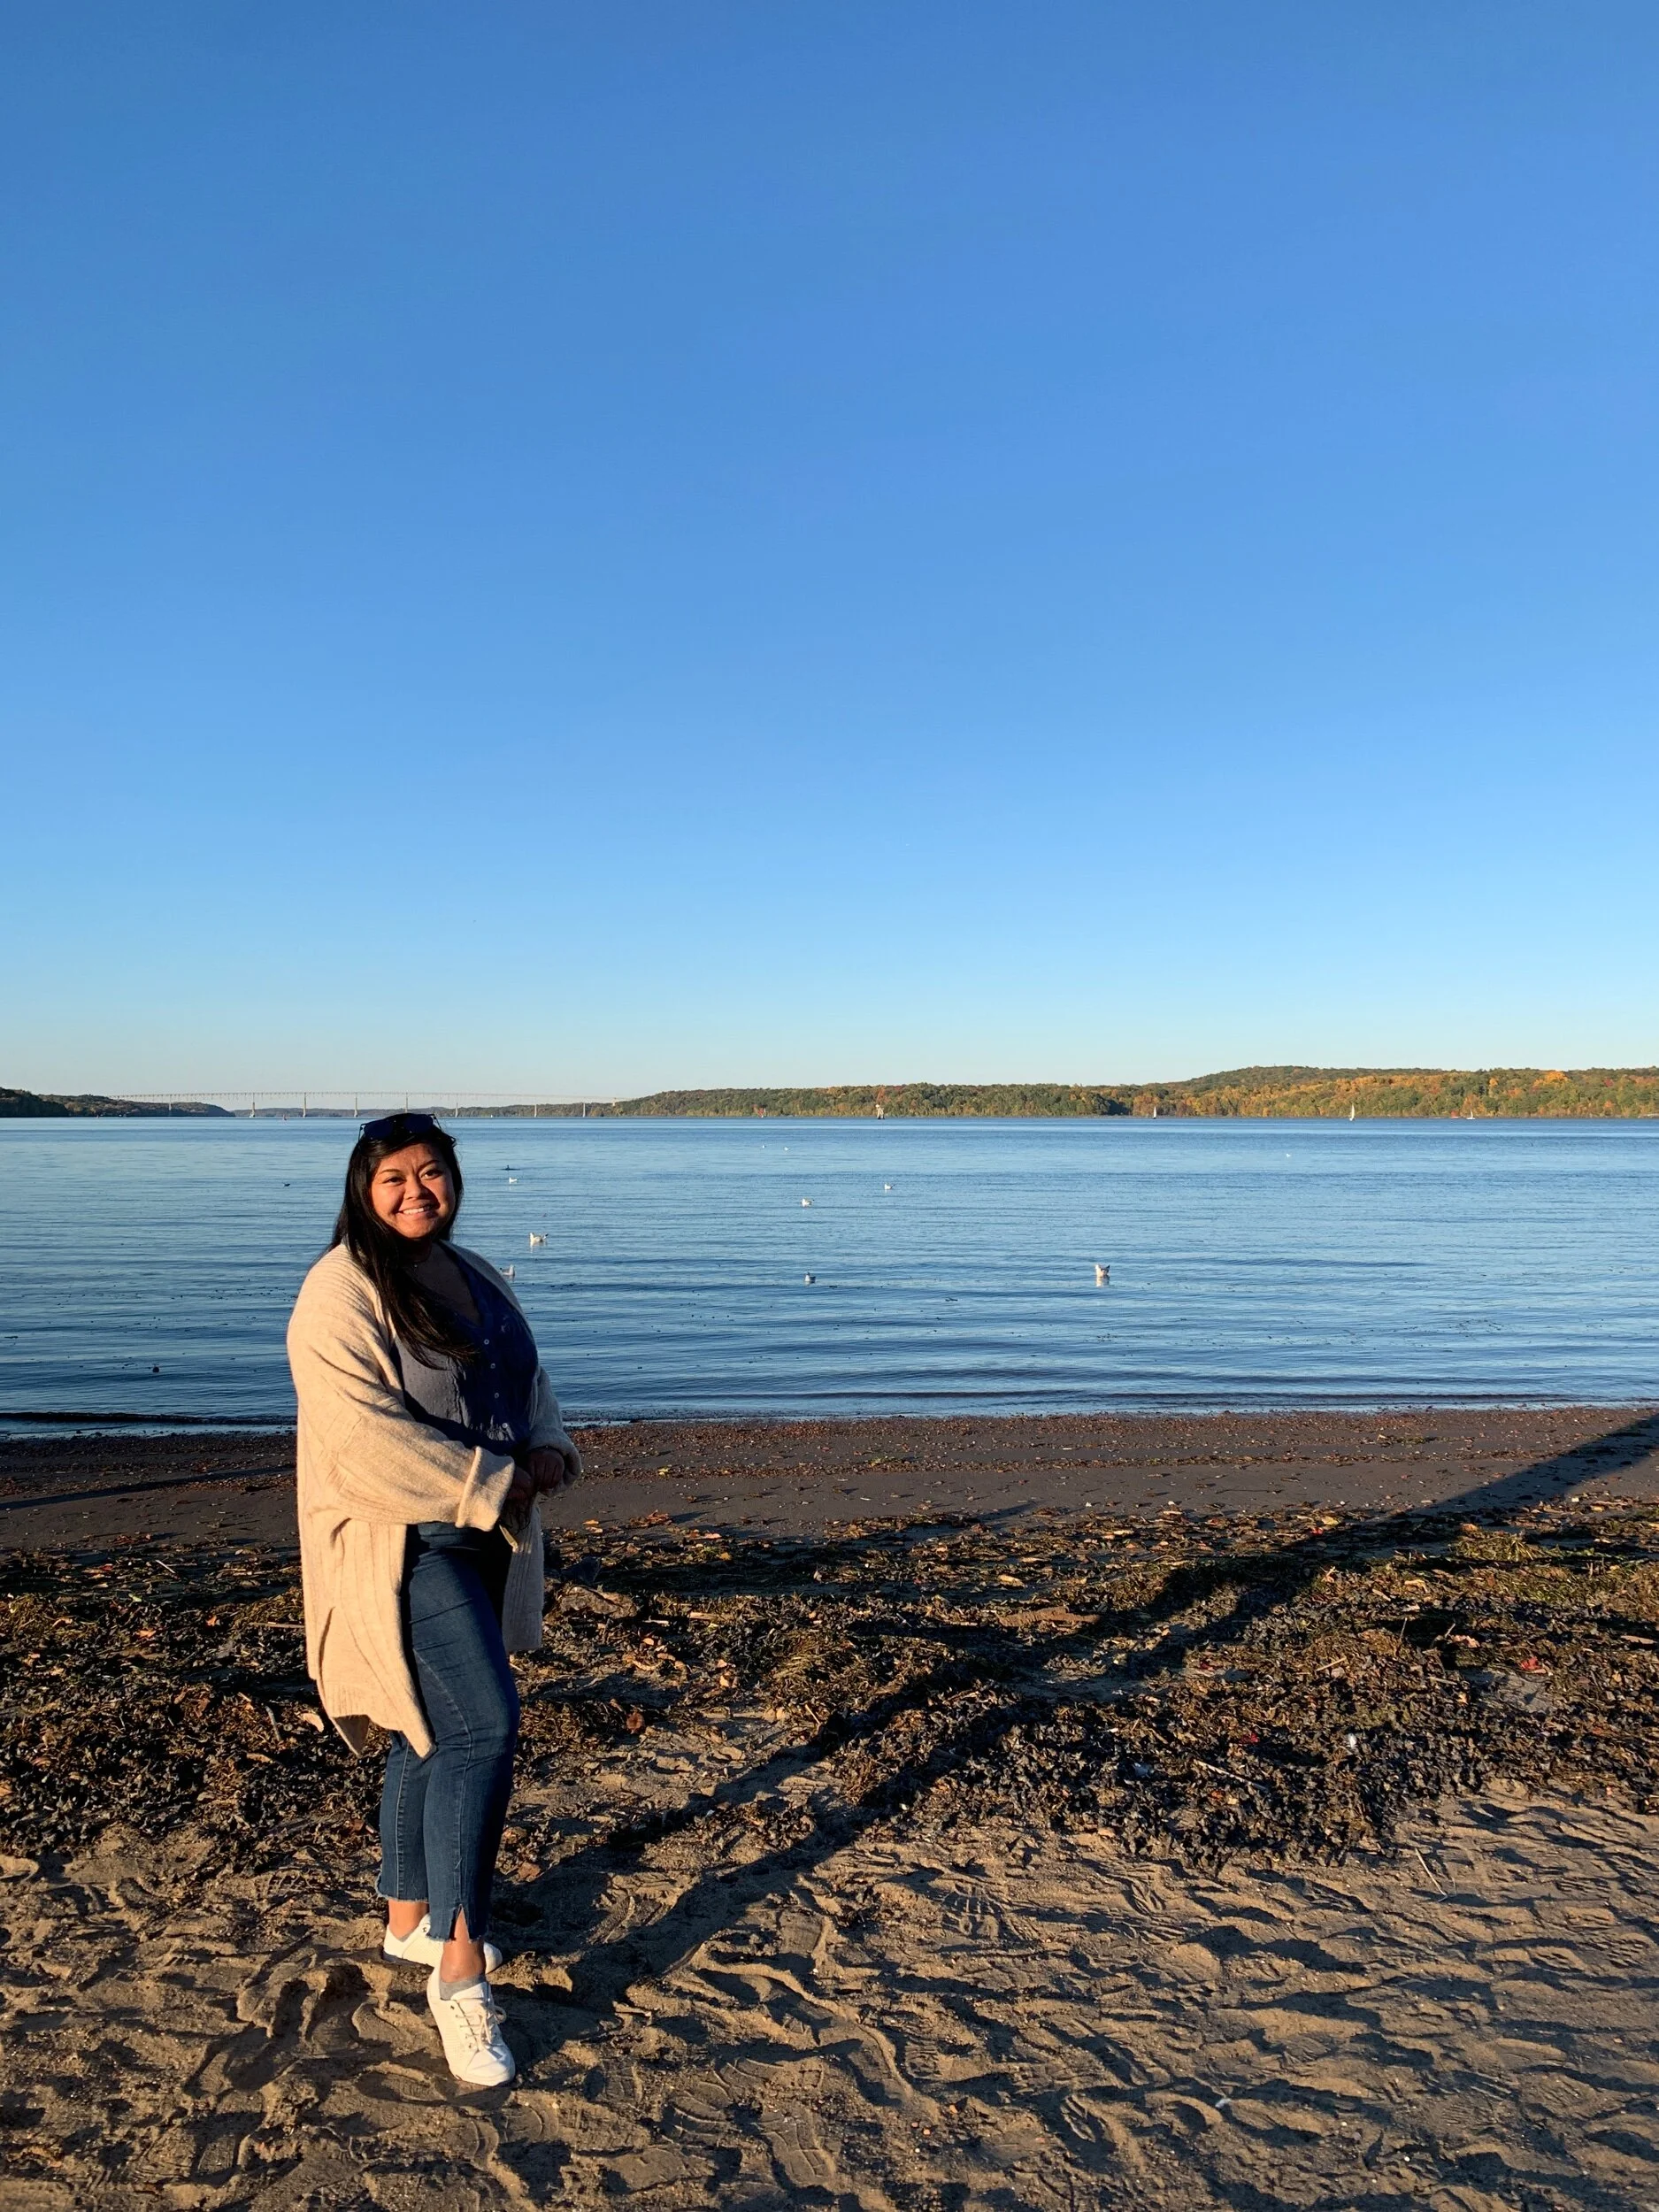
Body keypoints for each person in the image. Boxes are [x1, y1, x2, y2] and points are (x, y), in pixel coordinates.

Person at [286, 1111, 580, 2086]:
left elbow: (527, 1377)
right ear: (362, 1188)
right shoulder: (337, 1290)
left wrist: (549, 1446)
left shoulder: (479, 1270)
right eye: (395, 1178)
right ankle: (458, 1977)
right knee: (485, 1729)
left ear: (455, 1179)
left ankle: (407, 1920)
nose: (418, 1191)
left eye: (433, 1173)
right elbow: (361, 1440)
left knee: (429, 1725)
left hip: (485, 1531)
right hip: (399, 1543)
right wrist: (491, 1484)